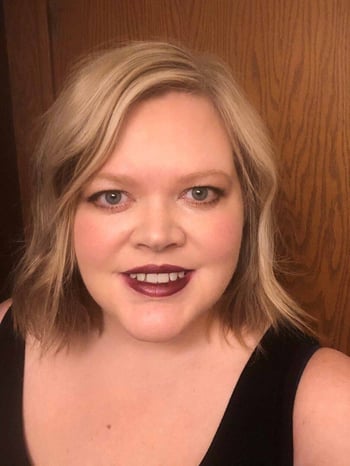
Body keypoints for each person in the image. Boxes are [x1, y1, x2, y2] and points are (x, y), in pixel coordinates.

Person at [0, 41, 349, 466]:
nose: (157, 235)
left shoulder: (330, 407)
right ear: (63, 214)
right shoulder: (5, 332)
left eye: (199, 193)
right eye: (112, 196)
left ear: (249, 209)